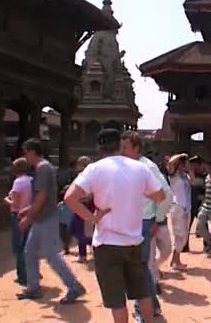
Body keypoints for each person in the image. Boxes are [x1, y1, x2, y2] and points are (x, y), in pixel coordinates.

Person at [65, 128, 165, 323]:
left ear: (99, 147)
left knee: (117, 300)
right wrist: (140, 192)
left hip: (106, 242)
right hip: (134, 241)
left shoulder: (94, 169)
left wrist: (93, 218)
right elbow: (160, 196)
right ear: (120, 144)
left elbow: (70, 198)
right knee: (142, 291)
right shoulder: (140, 168)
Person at [16, 139, 85, 304]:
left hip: (45, 218)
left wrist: (28, 217)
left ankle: (74, 286)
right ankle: (33, 288)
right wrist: (30, 211)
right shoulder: (44, 167)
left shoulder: (42, 169)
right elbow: (42, 198)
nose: (25, 157)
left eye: (26, 153)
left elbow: (41, 197)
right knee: (30, 251)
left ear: (32, 152)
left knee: (51, 255)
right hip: (43, 216)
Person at [120, 131, 172, 322]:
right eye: (121, 147)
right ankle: (153, 306)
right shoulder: (131, 166)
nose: (122, 151)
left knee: (137, 269)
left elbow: (166, 195)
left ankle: (142, 311)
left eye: (125, 147)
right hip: (135, 222)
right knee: (140, 267)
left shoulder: (146, 167)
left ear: (136, 148)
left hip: (143, 223)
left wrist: (158, 220)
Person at [3, 157, 33, 286]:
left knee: (19, 247)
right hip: (31, 215)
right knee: (28, 245)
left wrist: (6, 200)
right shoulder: (32, 180)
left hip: (18, 215)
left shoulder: (18, 182)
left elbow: (14, 203)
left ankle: (23, 276)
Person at [167, 154, 191, 271]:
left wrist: (189, 167)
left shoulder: (185, 176)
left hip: (186, 207)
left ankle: (175, 260)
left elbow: (193, 181)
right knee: (179, 235)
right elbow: (171, 163)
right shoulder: (173, 175)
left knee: (184, 236)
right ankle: (175, 261)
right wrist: (181, 156)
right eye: (184, 163)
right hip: (177, 207)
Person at [69, 156, 94, 263]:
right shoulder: (89, 176)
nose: (77, 166)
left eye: (79, 164)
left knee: (78, 229)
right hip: (84, 205)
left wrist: (76, 197)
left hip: (84, 205)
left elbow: (89, 195)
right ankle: (88, 248)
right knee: (78, 229)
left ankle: (83, 255)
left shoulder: (85, 176)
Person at [184, 155, 206, 251]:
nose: (193, 167)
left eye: (195, 165)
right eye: (192, 165)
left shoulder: (205, 176)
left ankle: (207, 245)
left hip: (201, 204)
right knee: (186, 227)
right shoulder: (187, 176)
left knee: (203, 225)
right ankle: (185, 245)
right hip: (190, 204)